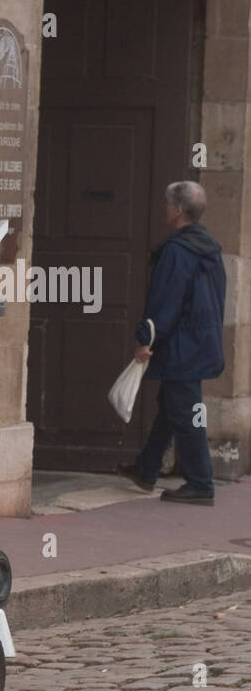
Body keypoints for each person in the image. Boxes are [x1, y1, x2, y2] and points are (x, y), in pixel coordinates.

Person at [117, 181, 225, 506]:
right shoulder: (210, 248)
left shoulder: (179, 251)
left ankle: (201, 483)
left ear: (178, 210)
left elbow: (166, 301)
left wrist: (145, 339)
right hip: (200, 342)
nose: (165, 209)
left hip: (182, 347)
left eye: (168, 205)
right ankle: (147, 468)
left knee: (190, 411)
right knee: (172, 406)